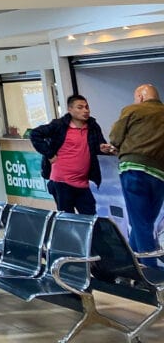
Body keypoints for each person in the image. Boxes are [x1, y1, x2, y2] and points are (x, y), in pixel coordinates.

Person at [29, 94, 113, 215]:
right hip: (61, 181)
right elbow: (35, 134)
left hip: (82, 182)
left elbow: (99, 145)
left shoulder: (93, 126)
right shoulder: (59, 125)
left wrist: (104, 149)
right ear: (70, 109)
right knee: (67, 220)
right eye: (80, 107)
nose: (85, 110)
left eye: (87, 107)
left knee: (90, 218)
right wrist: (49, 154)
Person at [110, 83, 164, 266]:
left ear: (140, 97)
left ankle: (151, 274)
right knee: (145, 221)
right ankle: (129, 265)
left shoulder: (133, 110)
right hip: (159, 175)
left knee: (141, 223)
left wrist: (116, 147)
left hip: (133, 170)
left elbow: (115, 137)